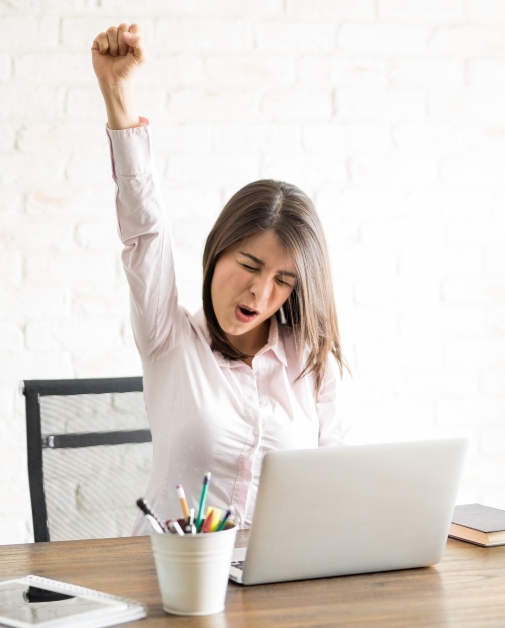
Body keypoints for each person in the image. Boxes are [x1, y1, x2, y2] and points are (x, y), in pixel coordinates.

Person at [91, 23, 349, 534]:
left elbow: (338, 487)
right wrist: (117, 94)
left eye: (283, 281)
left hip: (278, 576)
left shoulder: (312, 361)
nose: (260, 292)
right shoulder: (170, 339)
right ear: (218, 250)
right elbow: (145, 233)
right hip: (173, 570)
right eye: (250, 266)